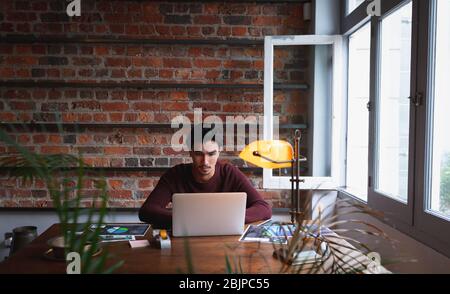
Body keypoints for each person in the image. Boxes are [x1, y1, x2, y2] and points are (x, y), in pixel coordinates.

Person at [139, 126, 272, 229]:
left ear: (219, 151)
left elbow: (264, 208)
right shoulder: (175, 175)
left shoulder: (229, 173)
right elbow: (147, 211)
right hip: (185, 242)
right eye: (198, 154)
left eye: (211, 154)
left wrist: (229, 218)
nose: (205, 162)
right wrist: (191, 219)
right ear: (190, 153)